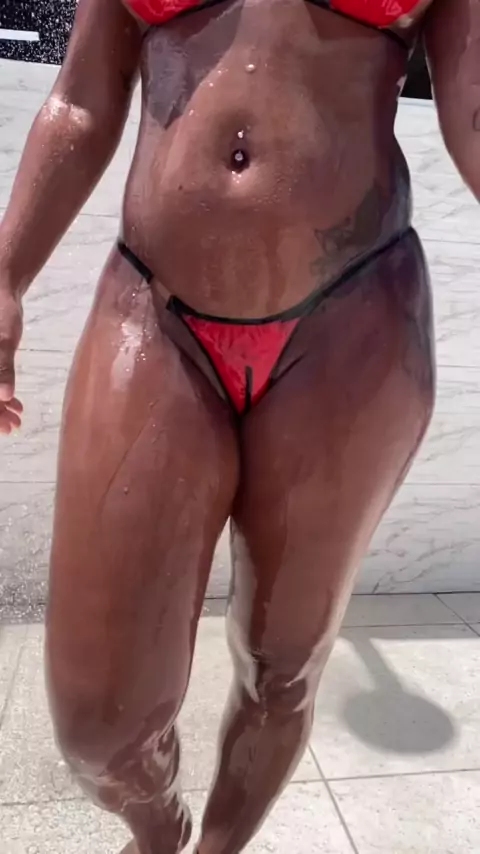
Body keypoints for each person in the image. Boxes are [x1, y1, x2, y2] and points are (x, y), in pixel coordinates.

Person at [0, 0, 477, 852]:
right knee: (99, 729)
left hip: (355, 318)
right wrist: (5, 275)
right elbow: (81, 99)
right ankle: (159, 830)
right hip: (156, 308)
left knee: (281, 666)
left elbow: (473, 110)